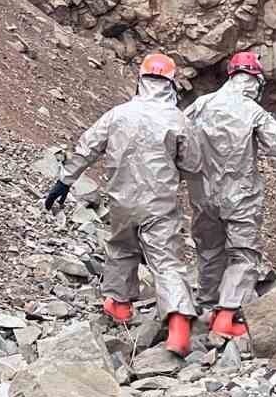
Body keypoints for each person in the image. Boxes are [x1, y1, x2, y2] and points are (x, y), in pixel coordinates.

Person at [44, 51, 202, 357]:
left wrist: (64, 180)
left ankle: (119, 306)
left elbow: (88, 146)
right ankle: (179, 327)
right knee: (165, 260)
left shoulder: (118, 114)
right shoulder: (177, 120)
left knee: (121, 248)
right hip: (159, 203)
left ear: (141, 80)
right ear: (171, 84)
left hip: (121, 199)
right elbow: (194, 164)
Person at [185, 49, 276, 339]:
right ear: (255, 81)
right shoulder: (253, 111)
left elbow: (177, 135)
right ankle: (226, 316)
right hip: (240, 195)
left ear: (231, 75)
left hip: (202, 193)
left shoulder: (202, 104)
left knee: (208, 250)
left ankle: (206, 307)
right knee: (243, 255)